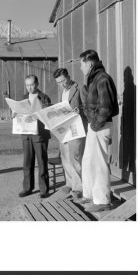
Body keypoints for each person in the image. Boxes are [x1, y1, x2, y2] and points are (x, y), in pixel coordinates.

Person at [77, 50, 119, 213]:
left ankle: (102, 200)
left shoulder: (103, 79)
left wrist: (94, 125)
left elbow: (106, 107)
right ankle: (89, 195)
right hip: (95, 126)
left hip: (100, 127)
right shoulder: (94, 79)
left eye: (81, 64)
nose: (80, 68)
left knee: (99, 163)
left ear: (89, 63)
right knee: (88, 161)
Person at [14, 75, 51, 199]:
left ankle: (44, 190)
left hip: (40, 134)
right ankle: (27, 188)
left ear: (37, 84)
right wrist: (15, 113)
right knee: (27, 162)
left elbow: (49, 115)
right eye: (27, 85)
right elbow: (19, 113)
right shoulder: (23, 98)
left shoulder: (44, 97)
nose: (29, 87)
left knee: (41, 161)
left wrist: (39, 115)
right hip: (26, 134)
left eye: (32, 85)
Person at [53, 68, 87, 201]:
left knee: (75, 157)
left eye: (63, 80)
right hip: (64, 128)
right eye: (58, 82)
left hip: (76, 128)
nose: (62, 84)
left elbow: (87, 105)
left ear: (68, 76)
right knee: (65, 157)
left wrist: (81, 110)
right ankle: (69, 183)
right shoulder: (62, 91)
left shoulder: (79, 88)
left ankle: (78, 188)